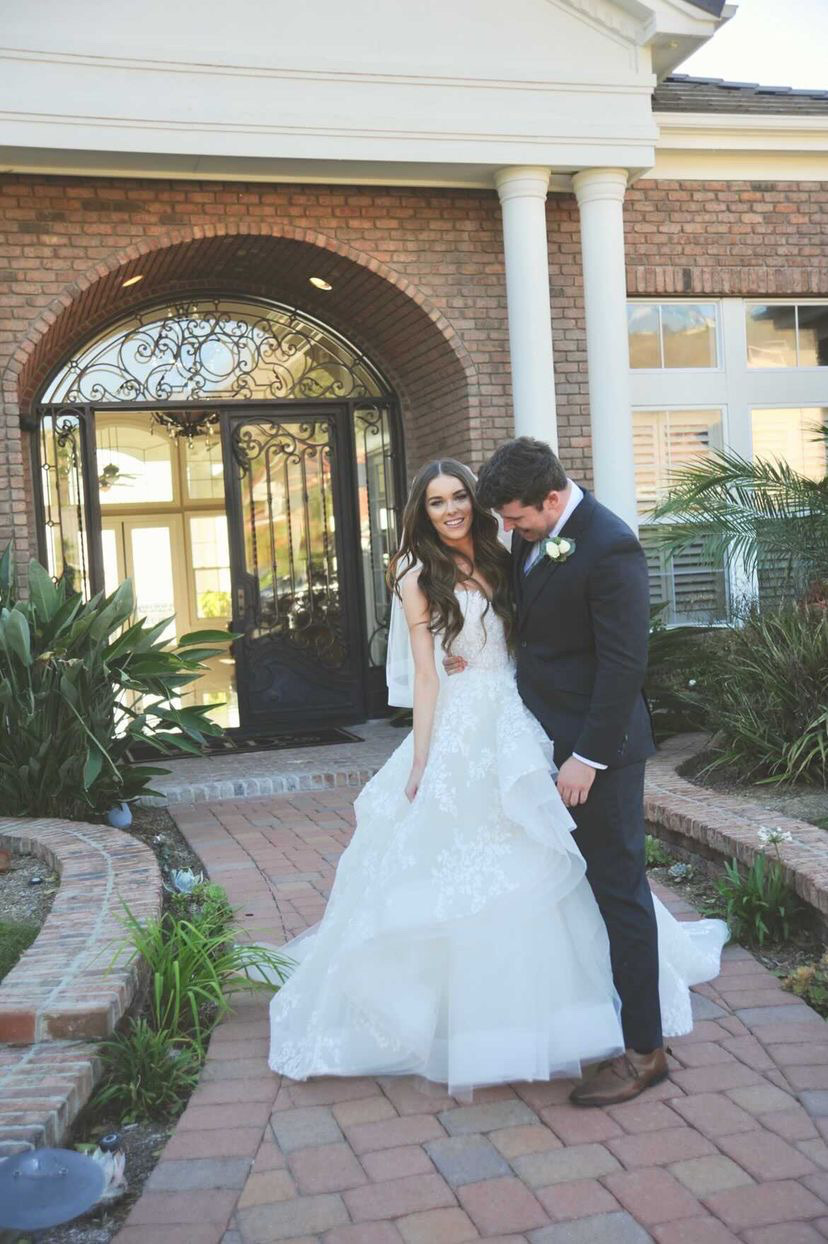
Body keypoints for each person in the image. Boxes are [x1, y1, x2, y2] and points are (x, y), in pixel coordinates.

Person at [268, 456, 727, 1099]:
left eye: (462, 498)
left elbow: (606, 655)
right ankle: (498, 1020)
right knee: (474, 864)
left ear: (528, 503)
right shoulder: (428, 569)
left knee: (573, 868)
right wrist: (423, 757)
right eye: (437, 501)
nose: (455, 510)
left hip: (536, 731)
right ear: (419, 511)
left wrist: (586, 753)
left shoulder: (527, 546)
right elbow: (428, 675)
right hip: (472, 727)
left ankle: (633, 1040)